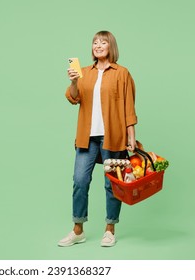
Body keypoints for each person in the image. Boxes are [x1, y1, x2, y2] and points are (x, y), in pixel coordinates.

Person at [58, 31, 137, 247]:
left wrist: (131, 136)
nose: (98, 45)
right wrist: (74, 82)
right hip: (87, 137)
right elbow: (73, 98)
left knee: (112, 184)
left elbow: (128, 107)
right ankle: (78, 230)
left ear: (111, 46)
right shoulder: (83, 73)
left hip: (113, 136)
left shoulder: (122, 73)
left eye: (102, 42)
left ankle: (110, 229)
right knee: (80, 181)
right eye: (95, 42)